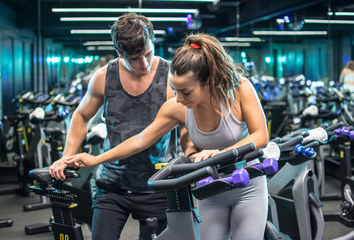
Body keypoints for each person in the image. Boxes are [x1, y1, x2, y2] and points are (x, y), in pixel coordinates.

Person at [60, 33, 269, 240]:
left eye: (185, 92)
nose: (178, 98)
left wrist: (219, 155)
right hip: (210, 191)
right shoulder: (177, 108)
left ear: (207, 82)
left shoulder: (239, 89)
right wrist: (97, 159)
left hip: (247, 188)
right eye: (175, 90)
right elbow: (139, 141)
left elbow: (260, 136)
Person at [49, 13, 195, 240]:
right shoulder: (103, 78)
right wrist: (68, 156)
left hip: (157, 184)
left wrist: (190, 154)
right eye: (136, 58)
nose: (144, 63)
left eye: (148, 53)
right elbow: (80, 116)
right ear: (119, 53)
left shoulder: (171, 77)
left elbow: (185, 123)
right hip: (112, 184)